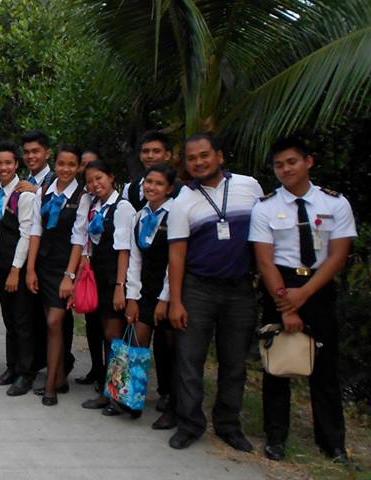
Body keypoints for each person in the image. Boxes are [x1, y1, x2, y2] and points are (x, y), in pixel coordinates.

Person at [250, 138, 355, 463]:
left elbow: (338, 255)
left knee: (325, 370)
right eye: (279, 165)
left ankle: (332, 442)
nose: (285, 169)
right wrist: (285, 302)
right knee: (278, 366)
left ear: (308, 162)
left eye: (291, 162)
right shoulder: (265, 206)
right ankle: (276, 437)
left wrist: (305, 295)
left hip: (319, 286)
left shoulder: (335, 203)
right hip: (279, 285)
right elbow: (265, 260)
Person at [166, 133, 263, 451]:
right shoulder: (183, 200)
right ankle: (190, 423)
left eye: (204, 155)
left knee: (234, 362)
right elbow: (177, 254)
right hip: (198, 288)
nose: (198, 162)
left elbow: (263, 238)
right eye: (191, 158)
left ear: (219, 156)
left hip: (240, 289)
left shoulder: (250, 187)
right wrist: (176, 301)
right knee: (189, 360)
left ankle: (228, 425)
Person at [70, 159, 135, 415]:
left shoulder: (122, 207)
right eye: (90, 182)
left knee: (114, 338)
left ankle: (118, 395)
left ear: (111, 177)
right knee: (106, 334)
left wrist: (121, 286)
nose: (95, 185)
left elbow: (124, 250)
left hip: (113, 280)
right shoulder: (96, 207)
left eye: (99, 178)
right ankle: (109, 392)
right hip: (97, 278)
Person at [25, 145, 85, 405]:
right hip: (43, 265)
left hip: (65, 267)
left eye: (72, 165)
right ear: (56, 164)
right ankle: (58, 375)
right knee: (47, 323)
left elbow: (79, 239)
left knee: (54, 322)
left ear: (78, 168)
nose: (66, 169)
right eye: (62, 164)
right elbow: (35, 230)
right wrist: (30, 269)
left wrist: (69, 276)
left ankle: (50, 385)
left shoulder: (82, 196)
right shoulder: (44, 192)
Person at [17, 131, 74, 381]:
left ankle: (62, 366)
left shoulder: (56, 180)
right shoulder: (26, 180)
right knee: (39, 317)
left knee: (59, 318)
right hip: (37, 260)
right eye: (27, 152)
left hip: (59, 261)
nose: (31, 156)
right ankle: (49, 365)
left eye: (36, 151)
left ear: (47, 153)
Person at [124, 164, 178, 429]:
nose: (151, 188)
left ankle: (169, 396)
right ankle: (132, 397)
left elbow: (175, 261)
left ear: (169, 188)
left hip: (169, 290)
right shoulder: (139, 215)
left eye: (158, 183)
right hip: (144, 289)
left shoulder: (176, 215)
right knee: (138, 342)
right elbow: (134, 258)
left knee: (168, 346)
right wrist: (132, 295)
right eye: (148, 182)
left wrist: (165, 298)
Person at [0, 142, 36, 390]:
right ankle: (12, 367)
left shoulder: (24, 194)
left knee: (22, 321)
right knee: (9, 319)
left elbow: (26, 234)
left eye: (8, 163)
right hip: (0, 265)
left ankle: (26, 373)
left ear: (16, 165)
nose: (3, 167)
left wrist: (17, 269)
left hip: (17, 267)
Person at [123, 131, 173, 210]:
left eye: (156, 151)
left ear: (167, 155)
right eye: (145, 151)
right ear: (140, 155)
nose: (150, 156)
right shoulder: (130, 188)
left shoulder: (179, 189)